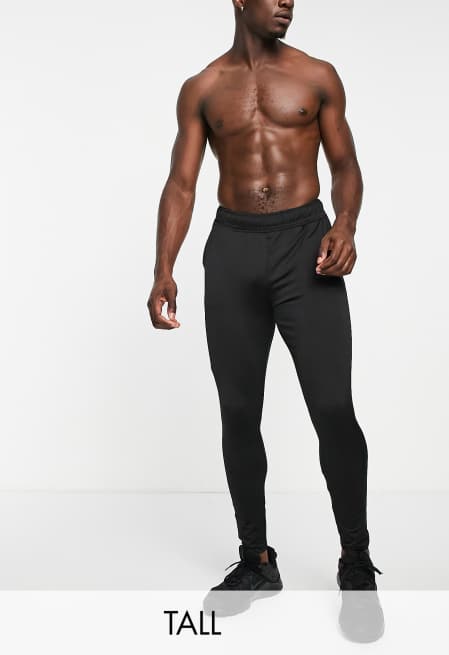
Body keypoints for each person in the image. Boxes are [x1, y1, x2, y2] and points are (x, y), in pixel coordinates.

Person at [147, 0, 383, 615]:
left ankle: (356, 558)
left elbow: (345, 164)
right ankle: (256, 561)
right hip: (233, 251)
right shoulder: (202, 88)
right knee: (238, 412)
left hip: (307, 245)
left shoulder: (316, 75)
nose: (286, 2)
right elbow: (181, 183)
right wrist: (163, 268)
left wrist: (346, 224)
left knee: (333, 407)